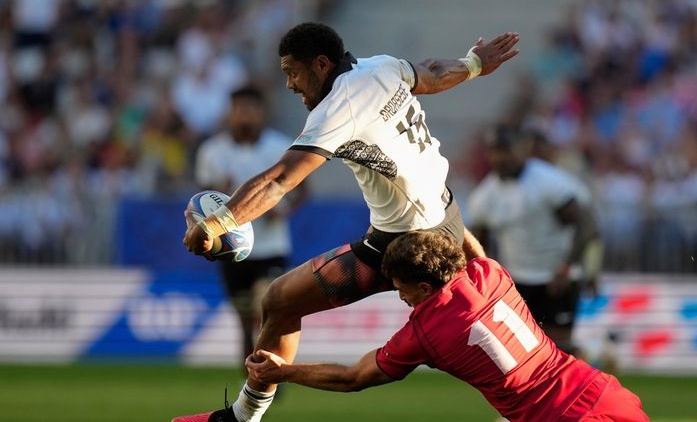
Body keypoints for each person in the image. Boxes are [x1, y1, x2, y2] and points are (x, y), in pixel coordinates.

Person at [174, 22, 519, 422]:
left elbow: (280, 179)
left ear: (321, 64)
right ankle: (534, 393)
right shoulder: (381, 66)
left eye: (292, 71)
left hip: (407, 245)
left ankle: (242, 418)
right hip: (446, 216)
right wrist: (474, 63)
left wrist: (218, 223)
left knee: (281, 303)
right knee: (479, 329)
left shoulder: (338, 106)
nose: (289, 84)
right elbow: (434, 72)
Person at [248, 231, 649, 422]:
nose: (401, 298)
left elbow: (353, 378)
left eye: (403, 291)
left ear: (424, 285)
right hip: (603, 392)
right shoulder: (488, 273)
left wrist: (285, 372)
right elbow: (466, 242)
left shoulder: (425, 333)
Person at [194, 85, 308, 368]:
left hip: (271, 245)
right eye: (239, 110)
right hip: (230, 249)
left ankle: (271, 369)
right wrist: (216, 193)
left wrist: (284, 211)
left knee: (268, 309)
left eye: (250, 110)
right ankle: (254, 373)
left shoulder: (279, 147)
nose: (244, 116)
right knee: (244, 319)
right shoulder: (211, 151)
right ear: (230, 114)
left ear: (261, 113)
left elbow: (304, 189)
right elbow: (201, 196)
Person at [467, 124, 603, 356]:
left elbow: (587, 225)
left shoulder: (549, 183)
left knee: (559, 349)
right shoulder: (484, 196)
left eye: (506, 150)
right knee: (525, 352)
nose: (500, 157)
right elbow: (478, 245)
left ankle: (593, 361)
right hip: (517, 281)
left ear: (522, 150)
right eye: (494, 151)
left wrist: (569, 267)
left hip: (556, 278)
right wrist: (486, 281)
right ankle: (597, 354)